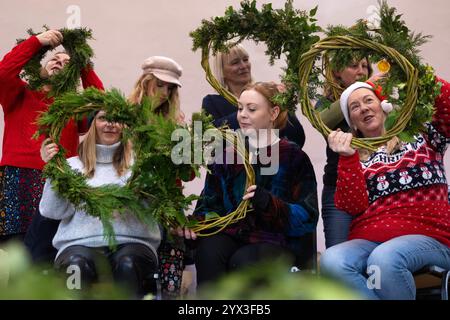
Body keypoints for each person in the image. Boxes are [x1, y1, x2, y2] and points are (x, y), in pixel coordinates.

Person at [320, 80, 450, 300]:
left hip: (428, 236)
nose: (363, 108)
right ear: (352, 123)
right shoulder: (353, 156)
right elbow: (352, 205)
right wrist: (347, 158)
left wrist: (414, 73)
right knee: (331, 261)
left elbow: (446, 103)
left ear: (383, 105)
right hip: (370, 239)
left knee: (384, 259)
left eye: (368, 100)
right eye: (354, 107)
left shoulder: (421, 135)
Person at [192, 82, 319, 286]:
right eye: (240, 108)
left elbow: (308, 215)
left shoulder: (293, 156)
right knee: (208, 251)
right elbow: (208, 204)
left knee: (244, 262)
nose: (242, 115)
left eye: (251, 109)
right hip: (232, 233)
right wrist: (193, 226)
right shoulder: (227, 156)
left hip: (275, 240)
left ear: (273, 113)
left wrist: (269, 203)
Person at [0, 29, 103, 253]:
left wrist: (82, 61)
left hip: (59, 180)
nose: (59, 61)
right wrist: (36, 42)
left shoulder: (74, 107)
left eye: (67, 62)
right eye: (54, 58)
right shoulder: (20, 94)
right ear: (41, 67)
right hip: (20, 179)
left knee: (52, 249)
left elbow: (99, 104)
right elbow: (3, 72)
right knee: (21, 254)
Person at [39, 110, 161, 297]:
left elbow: (155, 207)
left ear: (124, 126)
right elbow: (51, 211)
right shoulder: (71, 166)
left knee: (129, 264)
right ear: (92, 124)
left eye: (117, 119)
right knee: (76, 265)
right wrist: (53, 170)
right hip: (79, 244)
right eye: (103, 118)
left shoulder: (140, 166)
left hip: (133, 242)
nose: (110, 124)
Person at [128, 55, 191, 299]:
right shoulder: (125, 115)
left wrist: (185, 145)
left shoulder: (177, 121)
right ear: (145, 82)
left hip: (169, 201)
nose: (165, 92)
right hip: (132, 200)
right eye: (160, 84)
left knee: (172, 259)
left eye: (170, 87)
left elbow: (187, 172)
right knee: (134, 267)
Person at [318, 58, 386, 248]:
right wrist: (368, 85)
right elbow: (323, 120)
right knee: (337, 250)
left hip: (380, 182)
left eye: (365, 66)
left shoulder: (379, 97)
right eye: (354, 65)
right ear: (337, 71)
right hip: (337, 186)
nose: (361, 71)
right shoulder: (325, 102)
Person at [202, 44, 306, 148]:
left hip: (274, 161)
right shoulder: (212, 102)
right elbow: (210, 142)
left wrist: (283, 104)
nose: (243, 66)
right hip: (235, 163)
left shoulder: (266, 95)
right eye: (235, 62)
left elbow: (297, 138)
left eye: (245, 59)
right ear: (222, 70)